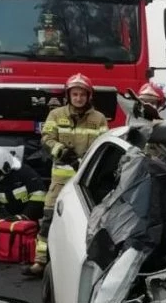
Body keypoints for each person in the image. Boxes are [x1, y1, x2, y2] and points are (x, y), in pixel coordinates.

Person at [23, 73, 108, 277]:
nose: (78, 98)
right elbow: (47, 138)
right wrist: (61, 151)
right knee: (49, 218)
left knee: (89, 221)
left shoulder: (99, 119)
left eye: (82, 94)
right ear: (68, 95)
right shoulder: (56, 115)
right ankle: (40, 262)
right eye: (75, 94)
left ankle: (86, 265)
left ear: (89, 96)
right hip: (60, 180)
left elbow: (104, 144)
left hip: (88, 180)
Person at [0, 147, 46, 222]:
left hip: (33, 218)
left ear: (6, 167)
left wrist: (24, 216)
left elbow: (39, 197)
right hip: (10, 217)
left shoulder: (25, 173)